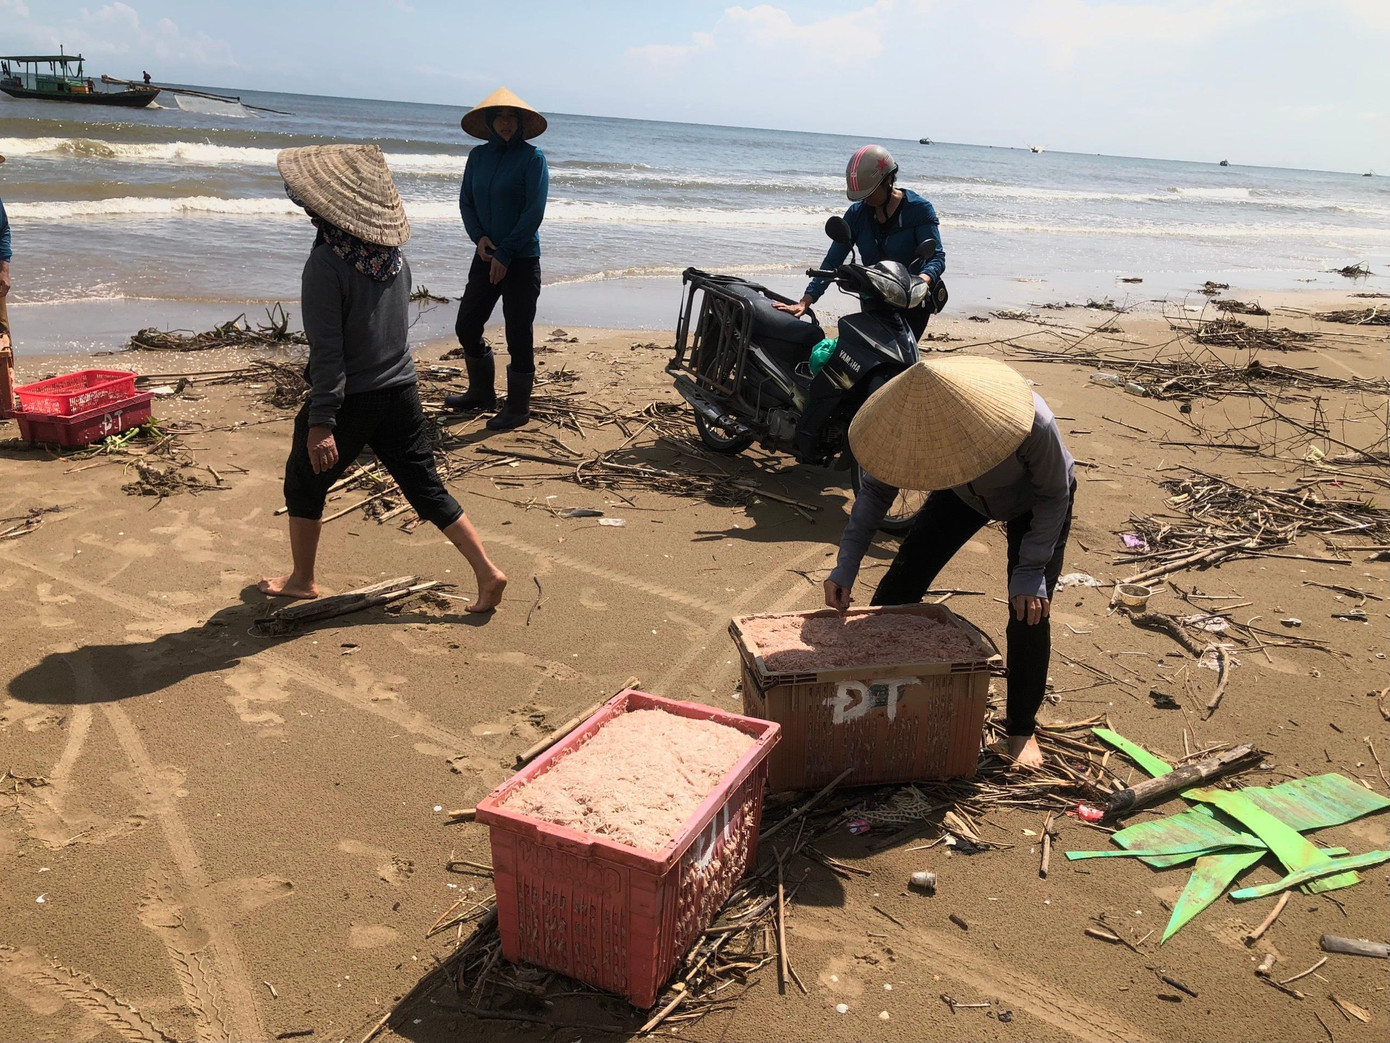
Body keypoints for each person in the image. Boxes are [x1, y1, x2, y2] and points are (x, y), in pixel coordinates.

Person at [260, 144, 507, 612]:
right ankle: (487, 571)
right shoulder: (393, 259)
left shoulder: (326, 266)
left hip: (353, 397)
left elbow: (329, 354)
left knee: (303, 481)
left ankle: (302, 579)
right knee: (424, 486)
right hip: (401, 391)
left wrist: (321, 421)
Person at [823, 357, 1076, 769]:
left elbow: (1054, 495)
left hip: (1036, 499)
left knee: (1028, 609)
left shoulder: (1033, 422)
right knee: (902, 584)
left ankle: (1021, 729)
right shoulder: (907, 430)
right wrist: (845, 567)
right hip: (963, 495)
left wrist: (1030, 572)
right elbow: (872, 498)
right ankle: (877, 686)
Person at [444, 87, 549, 431]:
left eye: (511, 117)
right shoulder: (477, 157)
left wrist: (506, 252)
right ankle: (481, 392)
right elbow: (466, 202)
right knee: (467, 325)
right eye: (499, 117)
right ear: (489, 121)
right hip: (485, 255)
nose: (505, 123)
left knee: (519, 333)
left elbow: (534, 212)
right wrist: (480, 238)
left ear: (520, 123)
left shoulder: (534, 159)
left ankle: (518, 409)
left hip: (521, 261)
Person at [774, 144, 944, 339]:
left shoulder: (918, 209)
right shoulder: (857, 214)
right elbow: (832, 261)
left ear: (888, 180)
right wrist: (806, 301)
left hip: (912, 300)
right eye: (862, 196)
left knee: (902, 356)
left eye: (870, 193)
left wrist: (922, 280)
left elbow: (937, 257)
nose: (866, 200)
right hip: (875, 297)